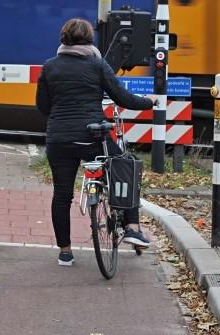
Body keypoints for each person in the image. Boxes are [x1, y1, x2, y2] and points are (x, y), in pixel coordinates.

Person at [35, 18, 154, 266]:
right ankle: (132, 226)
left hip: (59, 138)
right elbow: (123, 98)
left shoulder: (49, 67)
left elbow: (43, 107)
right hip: (92, 137)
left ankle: (65, 251)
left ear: (63, 39)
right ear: (90, 40)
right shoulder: (97, 65)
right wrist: (149, 102)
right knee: (125, 165)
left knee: (62, 195)